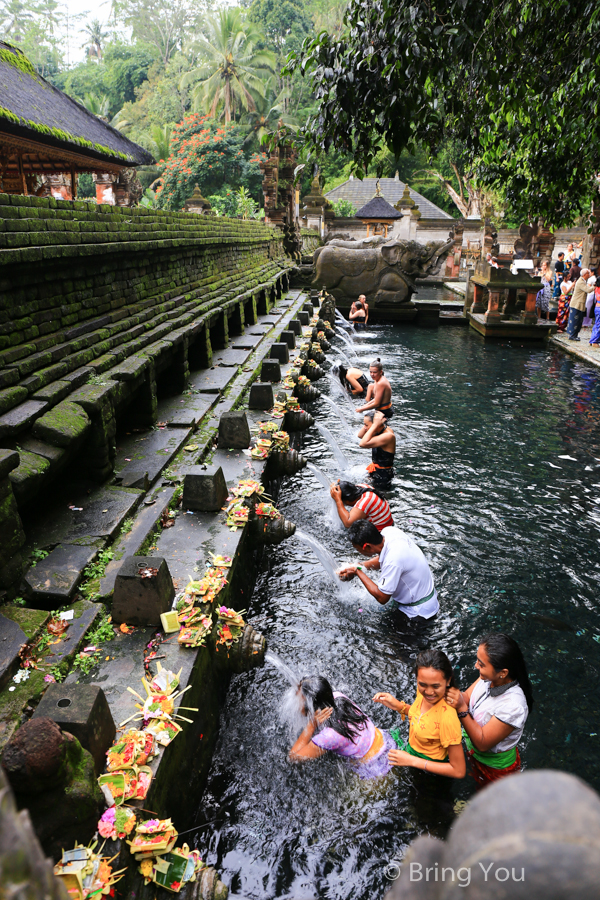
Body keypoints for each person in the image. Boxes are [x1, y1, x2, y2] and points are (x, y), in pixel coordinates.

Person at [446, 633, 533, 788]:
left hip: (496, 769)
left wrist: (461, 708)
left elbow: (482, 743)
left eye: (481, 664)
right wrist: (445, 690)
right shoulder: (488, 678)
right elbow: (466, 697)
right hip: (476, 755)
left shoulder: (514, 706)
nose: (476, 666)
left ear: (503, 673)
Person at [373, 649, 466, 779]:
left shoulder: (447, 718)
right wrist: (400, 707)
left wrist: (412, 761)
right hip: (412, 754)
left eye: (435, 686)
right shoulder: (423, 693)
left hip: (431, 774)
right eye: (422, 684)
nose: (428, 692)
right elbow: (423, 717)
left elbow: (459, 771)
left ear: (448, 681)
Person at [289, 675, 396, 778]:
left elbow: (293, 757)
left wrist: (311, 726)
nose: (295, 702)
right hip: (387, 742)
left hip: (375, 766)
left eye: (299, 700)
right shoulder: (338, 697)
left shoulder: (329, 736)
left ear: (312, 707)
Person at [338, 520, 439, 619]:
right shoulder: (390, 532)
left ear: (367, 546)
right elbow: (382, 559)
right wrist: (359, 565)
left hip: (419, 612)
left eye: (357, 549)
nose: (358, 552)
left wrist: (357, 571)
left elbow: (382, 598)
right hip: (425, 594)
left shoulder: (393, 559)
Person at [329, 480, 394, 530]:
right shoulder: (361, 487)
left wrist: (338, 501)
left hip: (381, 531)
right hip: (388, 523)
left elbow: (347, 524)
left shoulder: (365, 502)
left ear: (347, 501)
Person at [358, 410, 396, 486]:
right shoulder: (380, 429)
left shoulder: (388, 435)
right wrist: (373, 424)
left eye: (366, 425)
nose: (365, 428)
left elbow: (362, 444)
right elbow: (360, 435)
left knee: (382, 495)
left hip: (383, 475)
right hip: (376, 470)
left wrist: (375, 425)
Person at [567, 268, 596, 341]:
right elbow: (588, 290)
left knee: (579, 320)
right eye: (588, 273)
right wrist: (595, 286)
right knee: (575, 320)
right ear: (585, 274)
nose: (589, 275)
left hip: (579, 304)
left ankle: (575, 335)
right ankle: (572, 335)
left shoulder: (583, 281)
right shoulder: (580, 282)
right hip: (576, 304)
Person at [589, 276, 600, 347]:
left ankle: (592, 340)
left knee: (597, 323)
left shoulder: (596, 288)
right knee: (599, 325)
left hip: (597, 307)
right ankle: (594, 341)